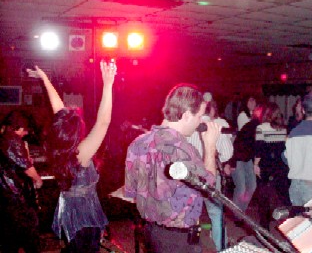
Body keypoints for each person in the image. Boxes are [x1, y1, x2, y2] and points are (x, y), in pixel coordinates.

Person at [27, 61, 116, 253]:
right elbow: (103, 123)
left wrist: (45, 79)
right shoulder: (80, 153)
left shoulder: (59, 147)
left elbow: (58, 111)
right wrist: (108, 84)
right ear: (76, 132)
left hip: (69, 208)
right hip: (84, 213)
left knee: (75, 248)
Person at [124, 84, 221, 253]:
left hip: (150, 233)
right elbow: (208, 187)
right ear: (186, 115)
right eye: (199, 116)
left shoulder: (138, 143)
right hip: (179, 239)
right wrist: (210, 146)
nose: (200, 121)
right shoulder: (184, 150)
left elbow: (131, 192)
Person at [187, 98, 233, 251]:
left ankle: (192, 248)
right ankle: (221, 248)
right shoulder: (216, 127)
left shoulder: (187, 127)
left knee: (190, 215)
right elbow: (227, 154)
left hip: (189, 177)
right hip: (210, 176)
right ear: (212, 109)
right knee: (216, 215)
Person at [0, 110, 43, 253]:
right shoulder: (11, 139)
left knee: (9, 237)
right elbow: (26, 167)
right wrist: (38, 179)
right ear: (18, 126)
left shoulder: (3, 138)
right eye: (25, 130)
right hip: (16, 197)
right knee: (30, 236)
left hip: (5, 196)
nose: (26, 133)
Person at [254, 102, 290, 229]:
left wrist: (255, 165)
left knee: (264, 198)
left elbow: (259, 150)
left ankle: (265, 228)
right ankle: (290, 226)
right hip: (281, 167)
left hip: (267, 166)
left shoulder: (261, 128)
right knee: (284, 197)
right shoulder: (283, 129)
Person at [228, 104, 262, 221]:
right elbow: (237, 144)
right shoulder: (252, 126)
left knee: (252, 186)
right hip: (238, 158)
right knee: (241, 188)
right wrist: (232, 163)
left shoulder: (258, 126)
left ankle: (240, 213)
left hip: (248, 159)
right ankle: (237, 215)